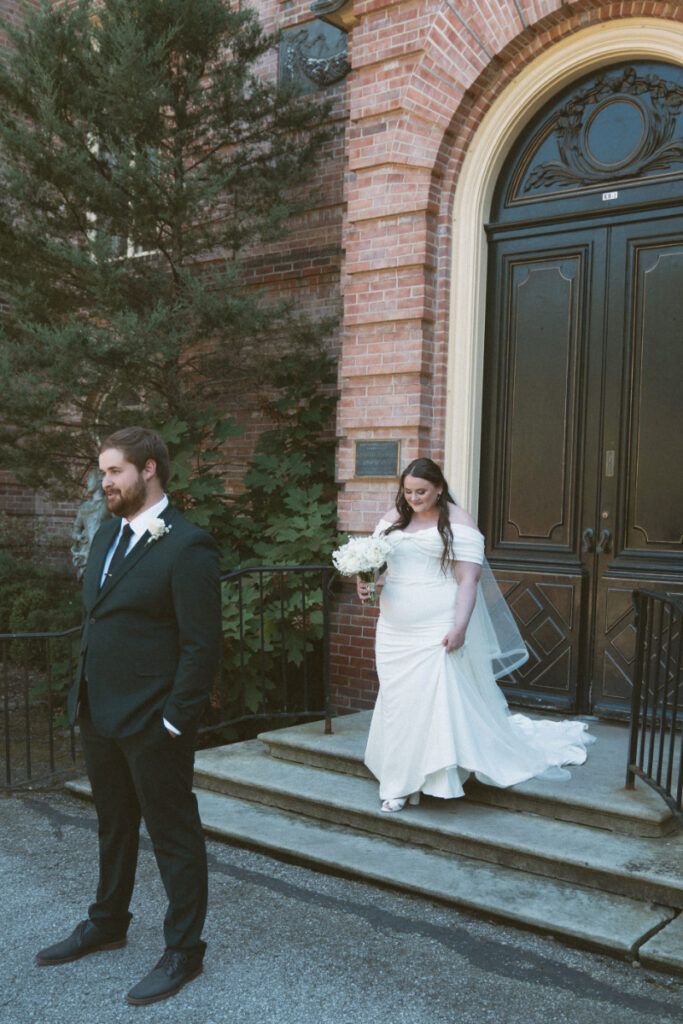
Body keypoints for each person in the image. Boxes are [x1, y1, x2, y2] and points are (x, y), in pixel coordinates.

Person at [35, 427, 223, 1006]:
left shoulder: (188, 546)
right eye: (102, 471)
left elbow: (202, 645)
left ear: (148, 470)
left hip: (154, 722)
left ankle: (184, 951)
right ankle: (108, 922)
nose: (104, 481)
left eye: (114, 470)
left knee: (173, 834)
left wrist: (174, 719)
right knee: (113, 824)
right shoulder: (106, 536)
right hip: (99, 712)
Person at [358, 457, 593, 813]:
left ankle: (408, 783)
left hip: (435, 624)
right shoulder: (394, 519)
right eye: (407, 492)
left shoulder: (457, 521)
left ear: (439, 488)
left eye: (421, 492)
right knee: (397, 699)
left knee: (429, 700)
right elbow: (379, 566)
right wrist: (366, 583)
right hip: (393, 627)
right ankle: (402, 770)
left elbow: (468, 580)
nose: (413, 499)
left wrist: (460, 626)